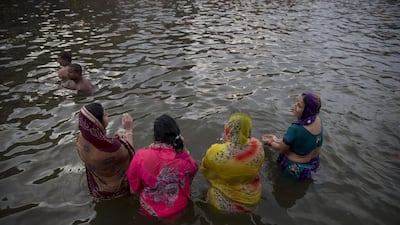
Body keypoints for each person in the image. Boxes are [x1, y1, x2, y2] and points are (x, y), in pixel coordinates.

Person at [126, 114, 198, 219]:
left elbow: (133, 187)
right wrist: (184, 150)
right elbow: (193, 170)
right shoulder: (183, 161)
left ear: (155, 136)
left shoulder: (141, 156)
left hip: (150, 210)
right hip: (178, 209)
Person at [200, 112, 265, 213]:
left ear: (228, 131)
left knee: (204, 194)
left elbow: (205, 171)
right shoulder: (258, 146)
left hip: (225, 202)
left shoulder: (216, 152)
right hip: (252, 198)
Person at [77, 103, 135, 200]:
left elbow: (101, 145)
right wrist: (128, 130)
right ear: (97, 122)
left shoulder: (80, 138)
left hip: (98, 186)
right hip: (118, 190)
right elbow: (130, 153)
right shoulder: (113, 149)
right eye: (104, 115)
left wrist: (115, 140)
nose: (107, 114)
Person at [262, 92, 322, 181]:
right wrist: (277, 140)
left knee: (277, 185)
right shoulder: (317, 120)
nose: (294, 106)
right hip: (314, 163)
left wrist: (270, 142)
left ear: (306, 111)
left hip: (295, 169)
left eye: (299, 106)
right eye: (296, 103)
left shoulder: (295, 128)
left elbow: (282, 149)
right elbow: (300, 140)